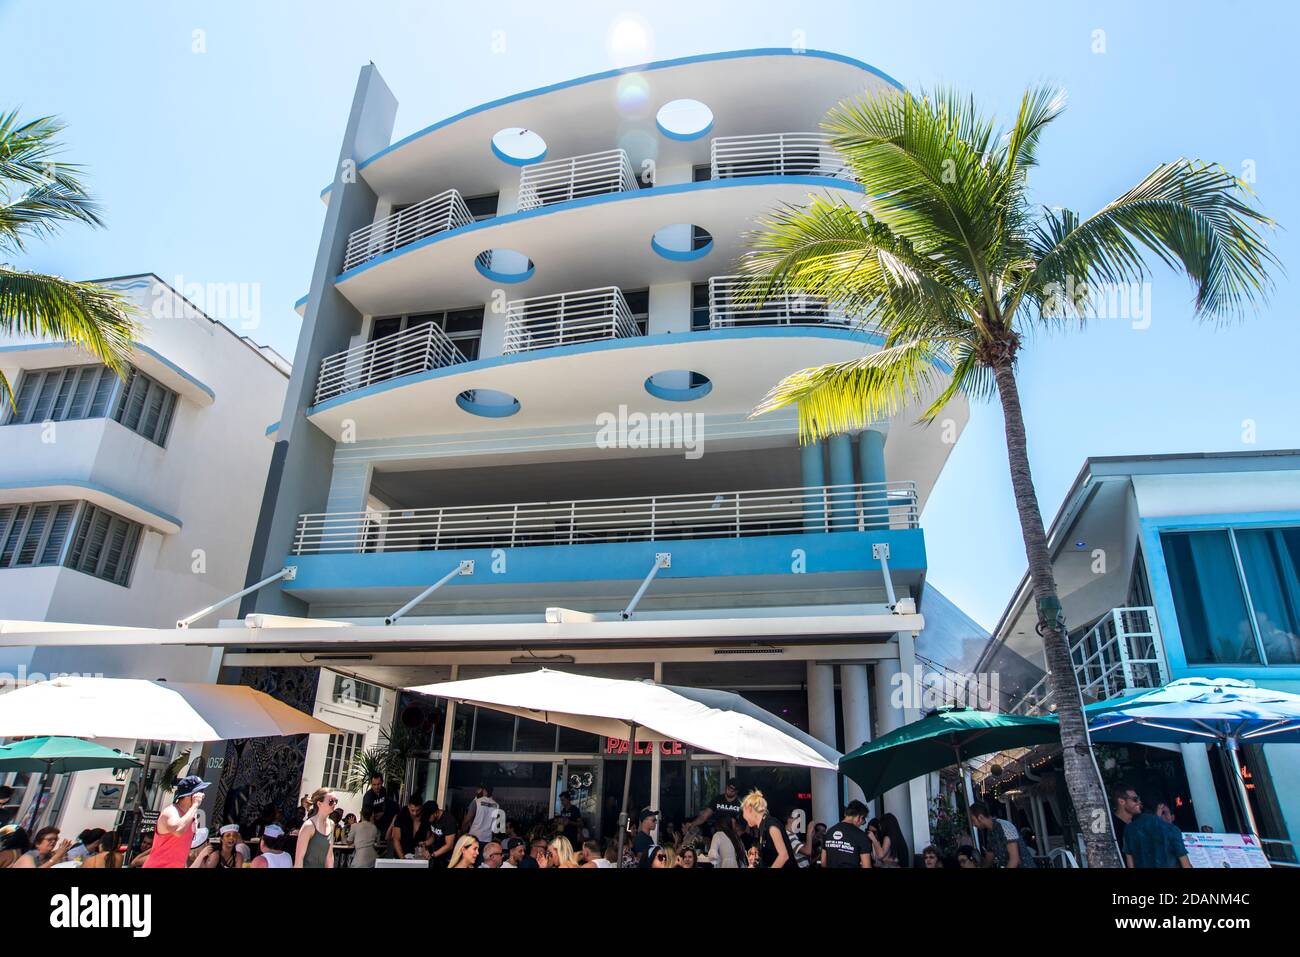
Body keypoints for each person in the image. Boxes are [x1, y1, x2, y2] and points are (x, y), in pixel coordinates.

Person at [145, 775, 208, 869]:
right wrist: (195, 805)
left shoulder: (190, 816)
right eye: (200, 792)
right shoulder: (170, 812)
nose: (202, 795)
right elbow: (178, 831)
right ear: (188, 795)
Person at [968, 802, 1036, 869]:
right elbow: (990, 856)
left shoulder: (1004, 826)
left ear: (980, 817)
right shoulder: (990, 832)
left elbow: (1014, 860)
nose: (974, 825)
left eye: (973, 820)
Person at [741, 789, 795, 869]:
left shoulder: (771, 826)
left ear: (749, 809)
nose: (743, 816)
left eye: (743, 812)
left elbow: (783, 856)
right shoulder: (763, 827)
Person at [1124, 808, 1191, 868]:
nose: (1169, 817)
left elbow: (1130, 864)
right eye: (1163, 813)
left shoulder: (1129, 830)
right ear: (1158, 810)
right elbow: (1185, 865)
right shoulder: (1171, 830)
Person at [822, 800, 873, 869]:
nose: (861, 824)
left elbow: (823, 863)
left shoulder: (829, 832)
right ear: (859, 817)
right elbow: (866, 866)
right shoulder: (861, 836)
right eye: (863, 821)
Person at [295, 788, 336, 868]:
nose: (334, 804)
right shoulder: (309, 825)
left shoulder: (331, 824)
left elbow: (329, 856)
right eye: (331, 801)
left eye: (336, 801)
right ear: (319, 804)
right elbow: (299, 860)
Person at [388, 795, 427, 859]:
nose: (415, 813)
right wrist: (403, 859)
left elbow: (428, 839)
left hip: (417, 857)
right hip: (400, 856)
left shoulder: (425, 818)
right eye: (412, 810)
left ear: (421, 807)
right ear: (408, 806)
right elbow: (396, 839)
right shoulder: (401, 817)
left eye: (418, 810)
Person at [423, 800, 456, 868]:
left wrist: (432, 854)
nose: (428, 820)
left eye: (429, 817)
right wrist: (425, 843)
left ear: (435, 813)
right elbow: (434, 836)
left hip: (448, 858)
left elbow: (449, 845)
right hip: (437, 856)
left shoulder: (448, 820)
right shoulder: (433, 820)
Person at [1112, 784, 1140, 851]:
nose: (1139, 802)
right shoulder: (1111, 826)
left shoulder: (1137, 825)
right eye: (1135, 799)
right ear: (1121, 802)